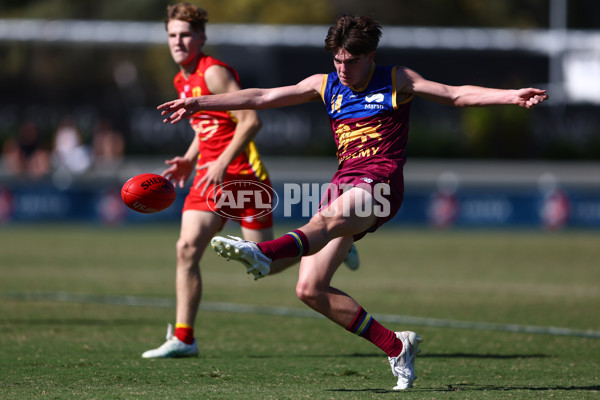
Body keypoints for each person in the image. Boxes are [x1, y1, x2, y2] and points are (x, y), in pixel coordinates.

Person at [158, 14, 548, 390]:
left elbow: (456, 95)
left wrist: (512, 96)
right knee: (309, 288)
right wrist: (200, 103)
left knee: (325, 222)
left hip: (380, 185)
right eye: (337, 60)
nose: (343, 68)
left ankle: (263, 252)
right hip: (343, 184)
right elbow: (261, 97)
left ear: (370, 57)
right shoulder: (325, 84)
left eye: (351, 60)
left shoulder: (398, 79)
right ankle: (397, 345)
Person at [143, 3, 358, 359]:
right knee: (186, 249)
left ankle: (335, 242)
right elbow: (208, 126)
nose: (177, 42)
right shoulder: (181, 79)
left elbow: (250, 121)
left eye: (184, 35)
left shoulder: (213, 73)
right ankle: (184, 338)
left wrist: (222, 162)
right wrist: (190, 159)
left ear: (200, 37)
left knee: (264, 262)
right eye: (172, 35)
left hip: (242, 175)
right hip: (207, 177)